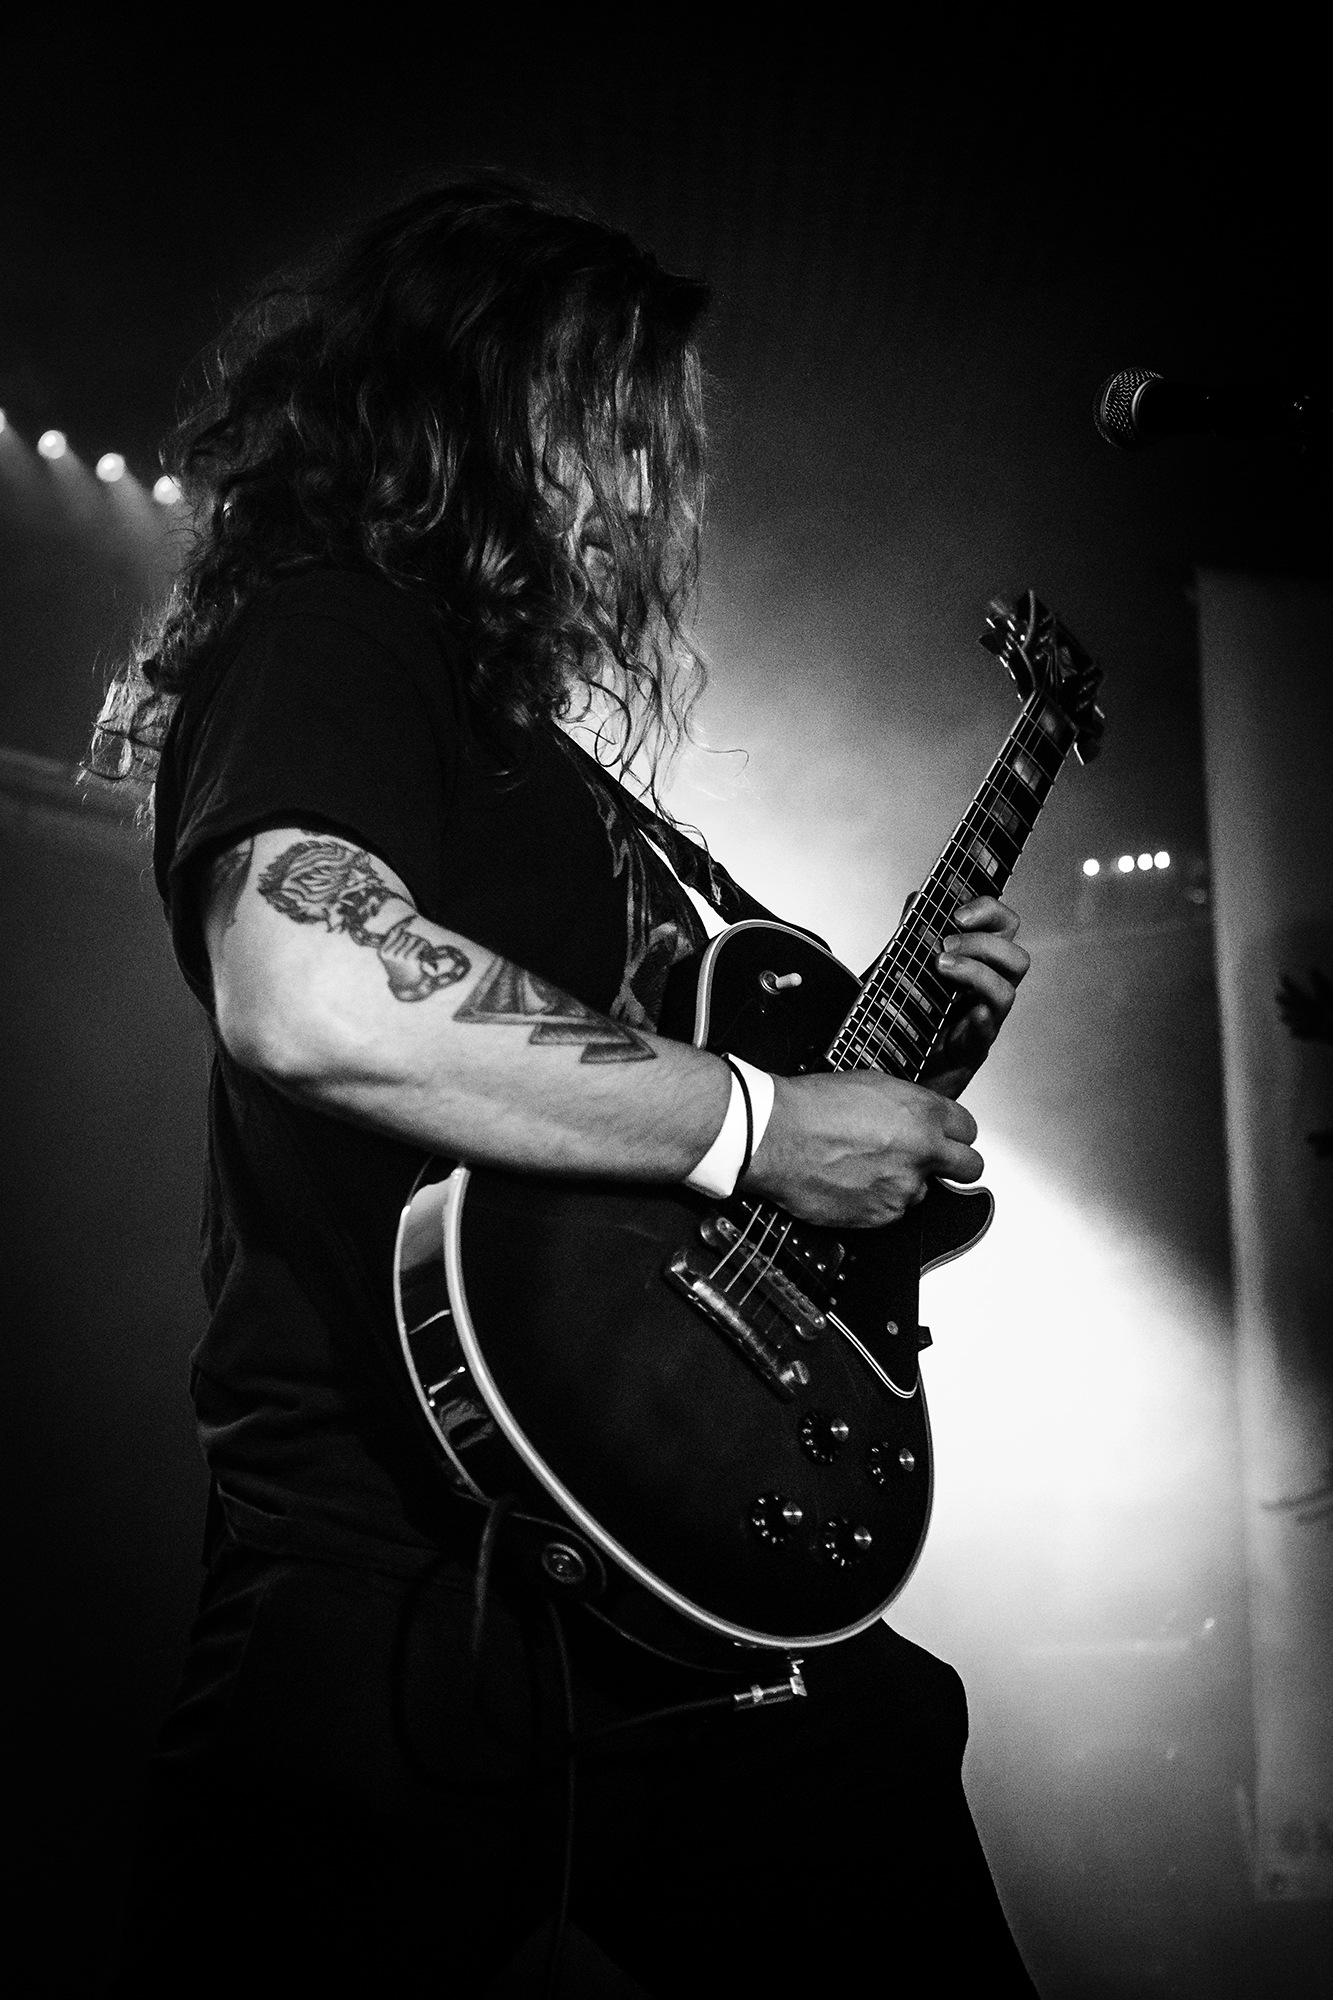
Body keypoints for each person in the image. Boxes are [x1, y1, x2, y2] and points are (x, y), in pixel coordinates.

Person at [93, 176, 1037, 1997]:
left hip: (669, 1570)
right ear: (460, 405)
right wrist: (762, 1125)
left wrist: (864, 1090)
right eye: (609, 427)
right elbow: (310, 991)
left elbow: (613, 1126)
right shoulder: (330, 630)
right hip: (393, 1579)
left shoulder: (536, 758)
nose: (644, 491)